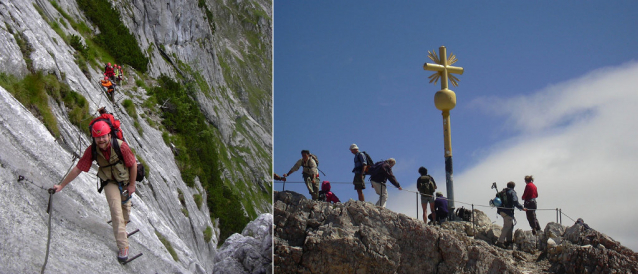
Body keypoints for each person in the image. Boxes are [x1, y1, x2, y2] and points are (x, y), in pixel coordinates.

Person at [52, 121, 137, 262]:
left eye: (104, 136)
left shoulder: (121, 147)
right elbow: (78, 168)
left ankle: (122, 226)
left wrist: (132, 185)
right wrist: (61, 186)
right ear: (94, 138)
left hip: (125, 181)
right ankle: (123, 246)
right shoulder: (92, 150)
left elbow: (133, 165)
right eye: (98, 137)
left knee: (125, 210)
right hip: (109, 181)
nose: (101, 140)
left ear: (109, 135)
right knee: (116, 211)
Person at [496, 181, 527, 249]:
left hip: (501, 211)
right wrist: (522, 208)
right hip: (508, 211)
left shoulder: (502, 192)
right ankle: (500, 242)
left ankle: (509, 240)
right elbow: (515, 201)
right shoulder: (512, 192)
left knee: (510, 225)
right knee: (507, 226)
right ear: (513, 186)